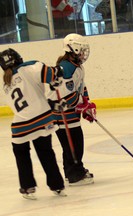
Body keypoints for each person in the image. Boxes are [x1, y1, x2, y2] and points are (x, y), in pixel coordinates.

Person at [0, 48, 67, 200]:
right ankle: (57, 186)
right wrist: (56, 77)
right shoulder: (28, 67)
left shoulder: (6, 83)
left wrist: (51, 102)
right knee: (46, 152)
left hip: (21, 125)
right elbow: (53, 73)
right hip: (43, 119)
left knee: (21, 152)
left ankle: (27, 186)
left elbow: (27, 106)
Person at [47, 33, 95, 186]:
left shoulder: (76, 66)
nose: (83, 53)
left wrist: (86, 103)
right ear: (73, 49)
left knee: (74, 143)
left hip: (70, 113)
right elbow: (67, 96)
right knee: (72, 145)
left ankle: (72, 171)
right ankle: (74, 174)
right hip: (62, 114)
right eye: (81, 50)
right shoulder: (66, 68)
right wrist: (82, 103)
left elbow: (81, 86)